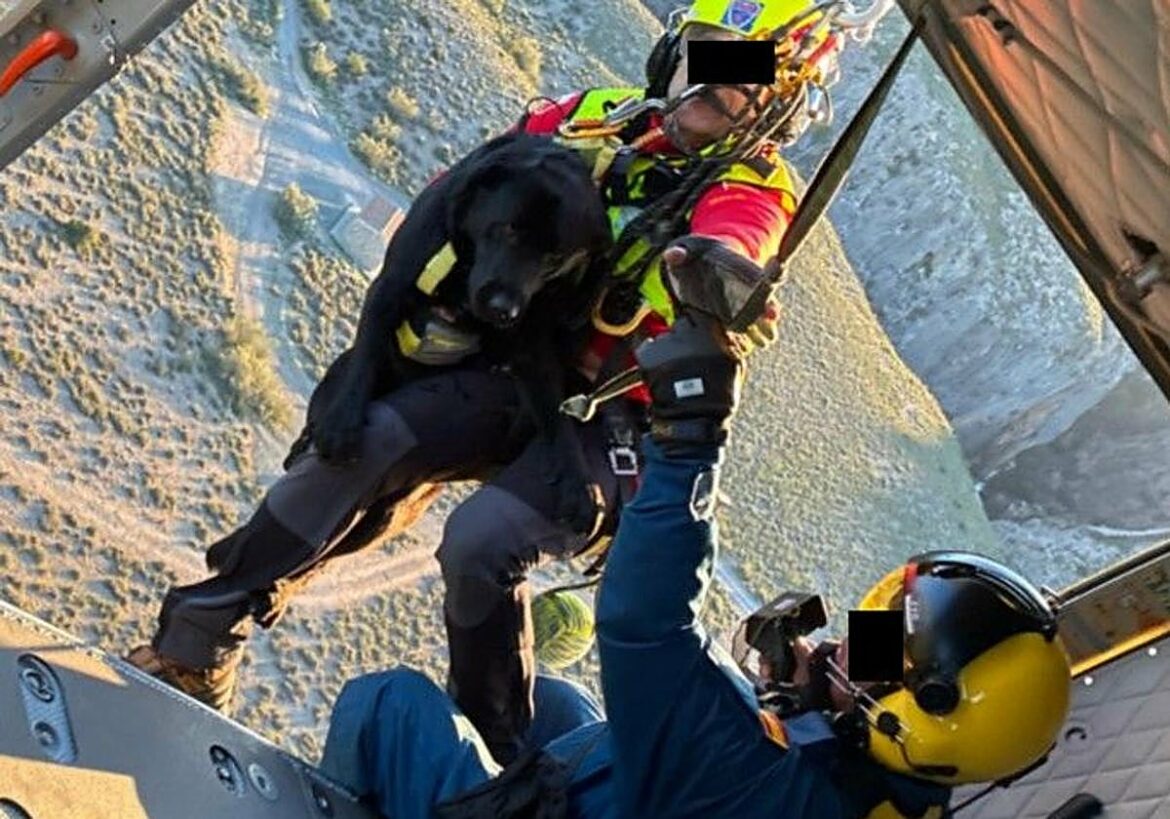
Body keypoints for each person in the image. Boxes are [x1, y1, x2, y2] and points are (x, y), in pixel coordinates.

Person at [127, 0, 845, 766]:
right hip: (518, 370)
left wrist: (717, 273)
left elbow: (738, 237)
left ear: (780, 107)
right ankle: (196, 646)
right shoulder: (595, 119)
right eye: (712, 56)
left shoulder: (754, 187)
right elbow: (462, 188)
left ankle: (493, 759)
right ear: (675, 50)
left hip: (617, 423)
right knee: (364, 439)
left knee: (482, 540)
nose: (717, 87)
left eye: (747, 80)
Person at [317, 313, 1074, 819]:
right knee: (549, 703)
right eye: (867, 629)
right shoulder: (900, 791)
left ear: (921, 722)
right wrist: (799, 698)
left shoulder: (756, 777)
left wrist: (687, 442)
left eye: (875, 656)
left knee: (390, 704)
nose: (845, 648)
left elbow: (643, 622)